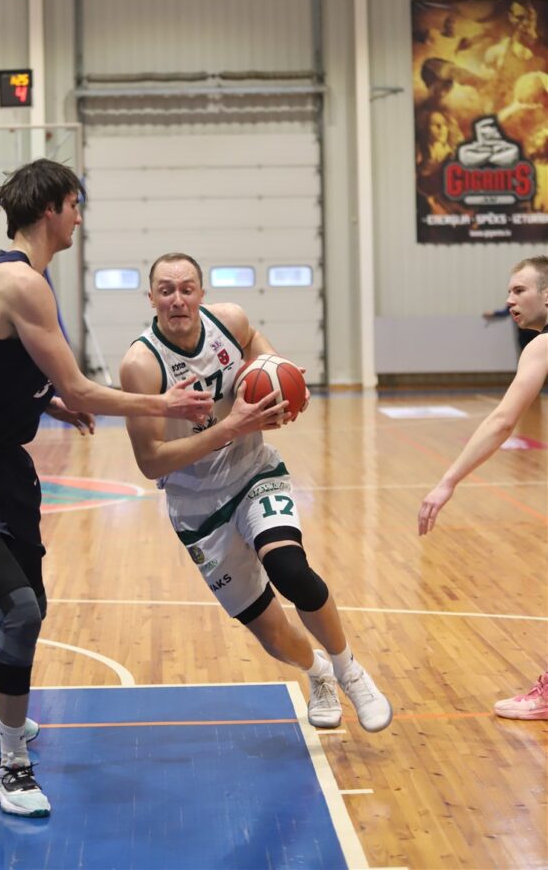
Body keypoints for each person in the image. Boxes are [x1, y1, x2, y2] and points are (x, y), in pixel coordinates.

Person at [0, 163, 213, 819]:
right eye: (75, 204)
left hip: (5, 466)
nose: (80, 215)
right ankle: (11, 765)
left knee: (29, 605)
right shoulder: (18, 280)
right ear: (51, 208)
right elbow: (81, 386)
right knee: (19, 611)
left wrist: (44, 401)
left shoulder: (32, 279)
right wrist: (164, 401)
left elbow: (2, 366)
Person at [119, 252, 393, 736]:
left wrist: (280, 376)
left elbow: (259, 351)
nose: (177, 299)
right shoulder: (141, 365)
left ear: (201, 294)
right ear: (151, 299)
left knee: (290, 569)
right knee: (271, 634)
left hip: (253, 472)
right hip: (197, 506)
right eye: (166, 290)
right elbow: (150, 462)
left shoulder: (230, 322)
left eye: (186, 288)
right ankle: (319, 673)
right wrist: (230, 426)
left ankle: (350, 671)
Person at [418, 255, 548, 721]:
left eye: (519, 290)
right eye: (509, 291)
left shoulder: (542, 345)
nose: (509, 299)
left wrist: (447, 481)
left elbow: (501, 421)